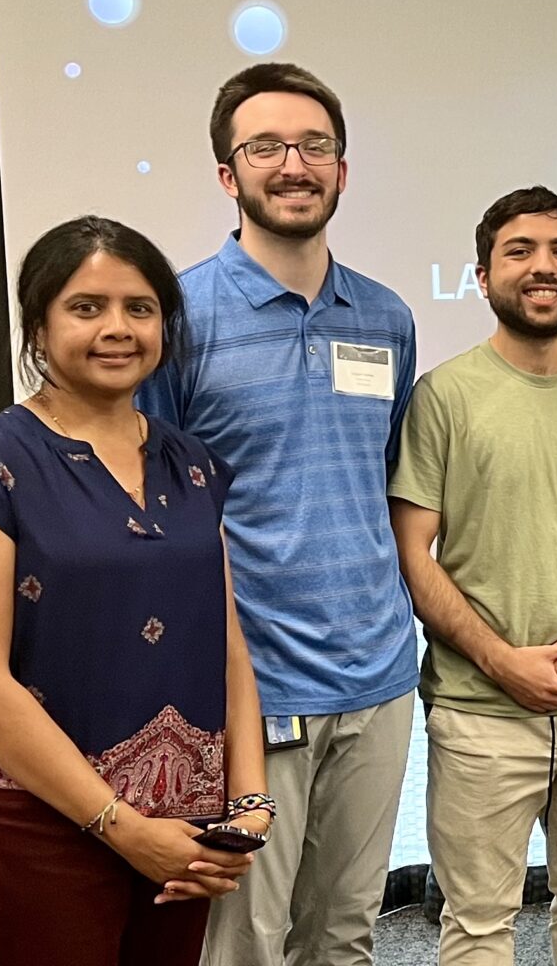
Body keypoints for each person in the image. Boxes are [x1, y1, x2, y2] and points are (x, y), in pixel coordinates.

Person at [0, 216, 273, 966]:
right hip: (38, 821)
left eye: (139, 308)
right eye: (87, 307)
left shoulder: (194, 465)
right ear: (39, 326)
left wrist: (248, 804)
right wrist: (121, 826)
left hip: (184, 827)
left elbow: (227, 642)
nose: (117, 328)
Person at [137, 63, 420, 966]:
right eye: (266, 147)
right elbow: (153, 507)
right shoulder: (177, 318)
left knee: (346, 935)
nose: (293, 165)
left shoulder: (385, 317)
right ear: (229, 174)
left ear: (343, 169)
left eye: (315, 146)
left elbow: (378, 477)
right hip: (251, 689)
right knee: (246, 943)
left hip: (378, 677)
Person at [390, 186, 557, 966]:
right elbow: (414, 552)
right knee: (478, 919)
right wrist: (500, 659)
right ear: (482, 277)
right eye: (520, 252)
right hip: (483, 712)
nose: (544, 268)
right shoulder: (444, 396)